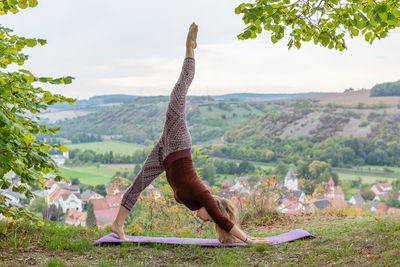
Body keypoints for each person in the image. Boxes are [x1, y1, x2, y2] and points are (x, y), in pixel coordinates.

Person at [110, 23, 272, 245]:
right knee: (178, 92)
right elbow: (223, 220)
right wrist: (250, 240)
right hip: (177, 144)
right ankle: (190, 48)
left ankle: (117, 224)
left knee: (139, 182)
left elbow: (220, 221)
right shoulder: (203, 195)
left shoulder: (196, 204)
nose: (206, 221)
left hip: (165, 157)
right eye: (210, 218)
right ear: (212, 207)